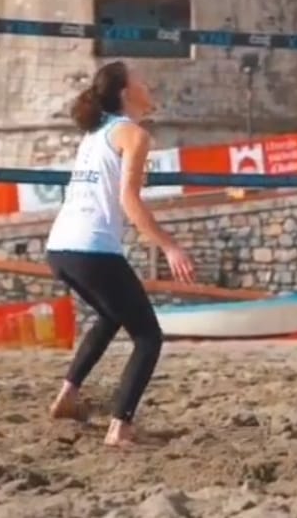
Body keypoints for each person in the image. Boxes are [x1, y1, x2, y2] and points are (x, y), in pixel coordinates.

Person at [45, 61, 197, 448]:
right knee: (149, 338)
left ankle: (68, 394)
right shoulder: (132, 134)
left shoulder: (95, 134)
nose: (149, 85)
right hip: (92, 249)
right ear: (127, 93)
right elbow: (128, 200)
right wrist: (169, 245)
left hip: (60, 247)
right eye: (141, 81)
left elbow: (111, 186)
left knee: (111, 316)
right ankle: (120, 428)